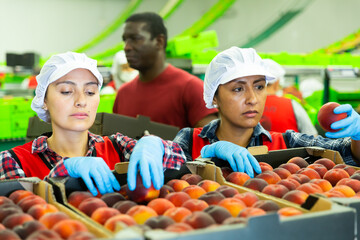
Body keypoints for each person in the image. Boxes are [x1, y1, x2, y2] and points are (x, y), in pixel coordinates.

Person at [0, 52, 186, 196]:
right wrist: (59, 176)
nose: (81, 101)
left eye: (90, 92)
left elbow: (184, 164)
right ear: (44, 101)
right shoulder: (13, 161)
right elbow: (17, 212)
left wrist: (156, 146)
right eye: (66, 91)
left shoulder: (118, 147)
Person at [173, 47, 360, 178]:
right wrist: (206, 156)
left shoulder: (285, 144)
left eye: (259, 87)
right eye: (238, 89)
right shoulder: (190, 140)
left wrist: (358, 135)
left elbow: (345, 152)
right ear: (214, 97)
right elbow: (166, 172)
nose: (252, 98)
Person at [112, 12, 218, 129]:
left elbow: (211, 143)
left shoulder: (191, 88)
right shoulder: (123, 94)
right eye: (125, 40)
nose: (127, 47)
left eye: (135, 39)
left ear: (159, 41)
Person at [260, 59, 318, 135]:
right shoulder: (292, 104)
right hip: (287, 147)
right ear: (277, 83)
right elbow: (312, 136)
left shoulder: (246, 105)